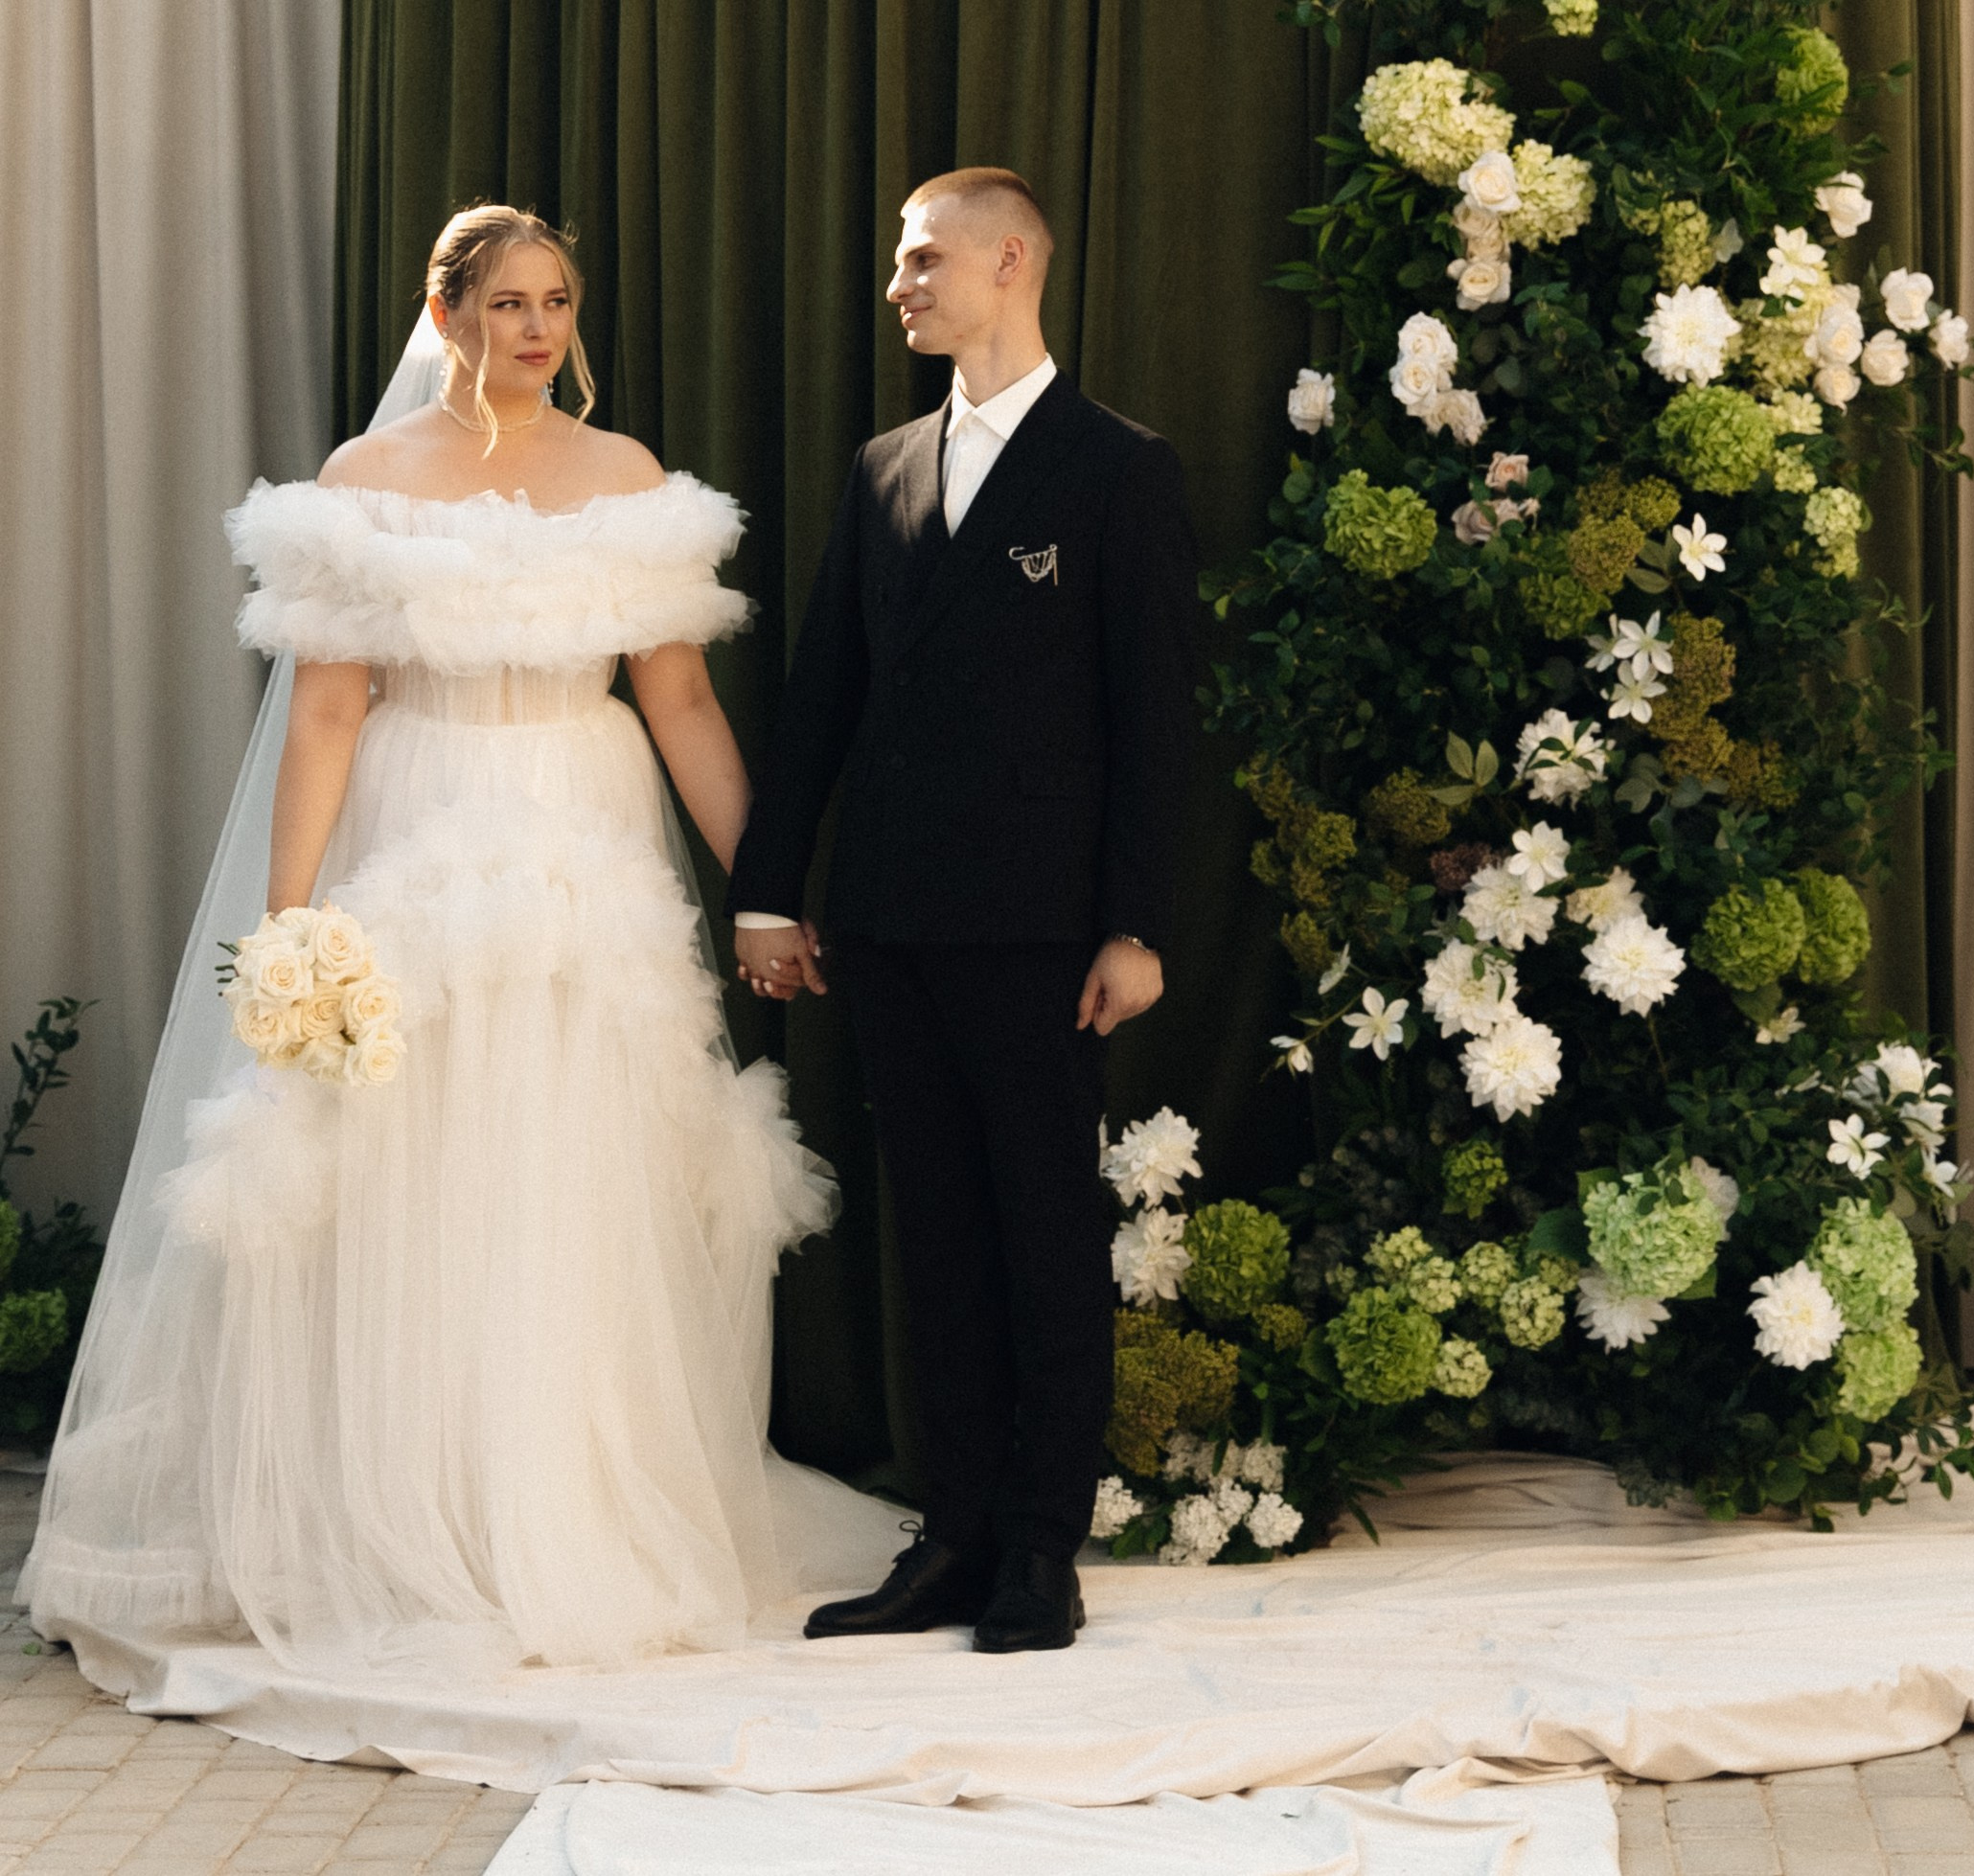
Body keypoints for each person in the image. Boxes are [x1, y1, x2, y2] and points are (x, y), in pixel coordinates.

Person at [24, 205, 894, 1689]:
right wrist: (289, 926)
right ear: (449, 313)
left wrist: (768, 885)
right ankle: (408, 1511)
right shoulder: (364, 485)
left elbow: (679, 704)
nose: (538, 328)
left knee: (574, 1170)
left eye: (556, 300)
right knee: (417, 1170)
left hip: (590, 845)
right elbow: (324, 714)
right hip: (417, 836)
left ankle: (566, 1499)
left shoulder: (625, 481)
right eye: (507, 301)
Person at [729, 166, 1199, 1655]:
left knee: (1046, 1231)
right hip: (889, 920)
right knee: (932, 1236)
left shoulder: (1120, 468)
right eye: (897, 262)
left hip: (1046, 932)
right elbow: (821, 697)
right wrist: (766, 897)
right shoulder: (883, 468)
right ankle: (952, 1535)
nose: (901, 286)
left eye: (924, 258)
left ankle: (1041, 1549)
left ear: (1011, 261)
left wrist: (1136, 923)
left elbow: (1157, 720)